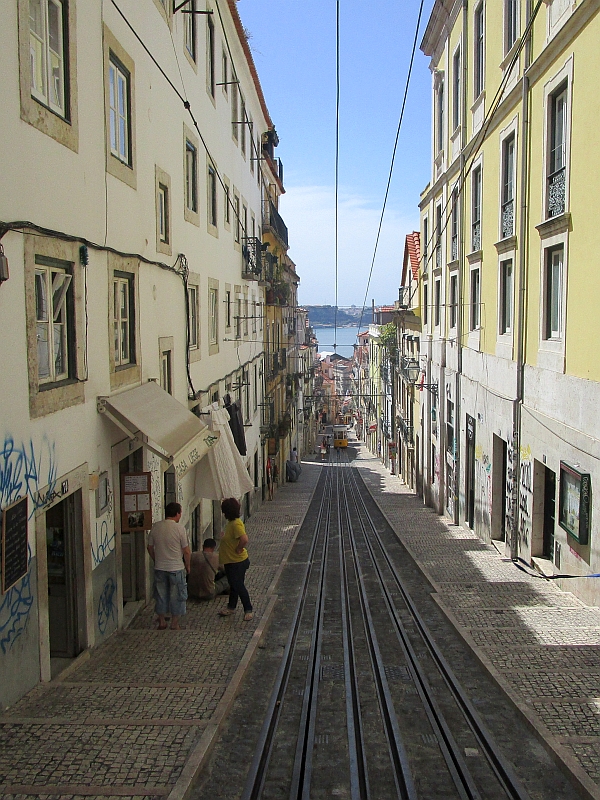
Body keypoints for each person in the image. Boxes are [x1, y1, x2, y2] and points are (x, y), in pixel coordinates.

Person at [147, 502, 191, 630]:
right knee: (177, 595)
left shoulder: (156, 527)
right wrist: (188, 566)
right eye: (180, 513)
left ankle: (161, 622)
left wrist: (156, 559)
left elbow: (149, 547)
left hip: (160, 567)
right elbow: (186, 551)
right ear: (177, 514)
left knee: (160, 594)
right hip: (176, 568)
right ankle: (174, 623)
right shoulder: (179, 529)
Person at [218, 497, 253, 621]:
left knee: (238, 585)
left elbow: (244, 539)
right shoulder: (231, 523)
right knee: (234, 585)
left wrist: (238, 549)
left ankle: (248, 609)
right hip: (231, 561)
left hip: (237, 562)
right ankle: (231, 607)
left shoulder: (236, 524)